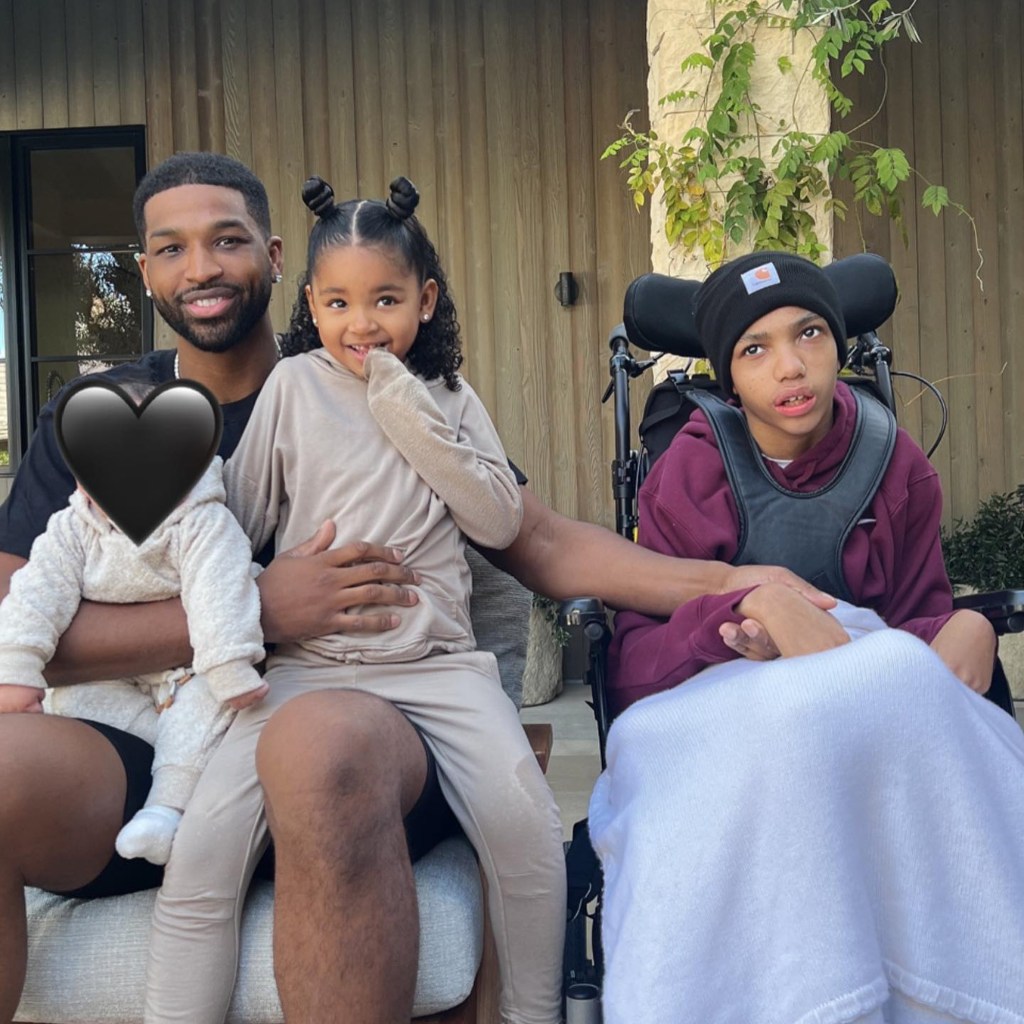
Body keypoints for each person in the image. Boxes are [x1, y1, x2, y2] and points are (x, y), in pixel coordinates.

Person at [0, 153, 833, 1024]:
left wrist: (725, 582)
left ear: (277, 256)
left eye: (227, 241)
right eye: (171, 248)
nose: (201, 266)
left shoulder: (436, 396)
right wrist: (254, 606)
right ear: (144, 269)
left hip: (386, 708)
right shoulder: (110, 423)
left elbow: (529, 534)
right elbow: (48, 598)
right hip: (185, 715)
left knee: (332, 749)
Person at [143, 172, 565, 1024]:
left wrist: (405, 406)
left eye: (384, 300)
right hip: (303, 672)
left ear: (426, 299)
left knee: (529, 842)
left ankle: (531, 1014)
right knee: (201, 861)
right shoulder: (294, 389)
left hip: (438, 668)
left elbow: (494, 517)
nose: (361, 324)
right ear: (310, 302)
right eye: (337, 303)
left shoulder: (449, 399)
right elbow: (245, 523)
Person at [589, 251, 1024, 1024]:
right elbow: (634, 673)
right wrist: (733, 627)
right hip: (722, 710)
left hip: (861, 705)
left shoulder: (897, 464)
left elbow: (904, 632)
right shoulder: (690, 473)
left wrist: (964, 625)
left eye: (810, 334)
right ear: (727, 374)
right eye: (756, 349)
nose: (790, 367)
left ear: (839, 344)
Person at [0, 420, 266, 866]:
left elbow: (220, 592)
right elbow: (33, 598)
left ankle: (166, 809)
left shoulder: (200, 522)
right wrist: (14, 670)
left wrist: (229, 666)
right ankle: (159, 755)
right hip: (108, 676)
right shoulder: (72, 529)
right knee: (69, 702)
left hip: (190, 669)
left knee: (206, 708)